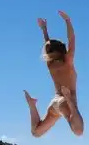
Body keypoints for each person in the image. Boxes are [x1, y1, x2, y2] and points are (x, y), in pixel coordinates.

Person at [24, 10, 84, 138]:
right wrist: (68, 21)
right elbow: (72, 40)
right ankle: (71, 103)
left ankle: (32, 105)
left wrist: (44, 29)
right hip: (64, 101)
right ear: (62, 50)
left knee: (36, 132)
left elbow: (48, 44)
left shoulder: (50, 64)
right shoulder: (67, 61)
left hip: (55, 103)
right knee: (78, 131)